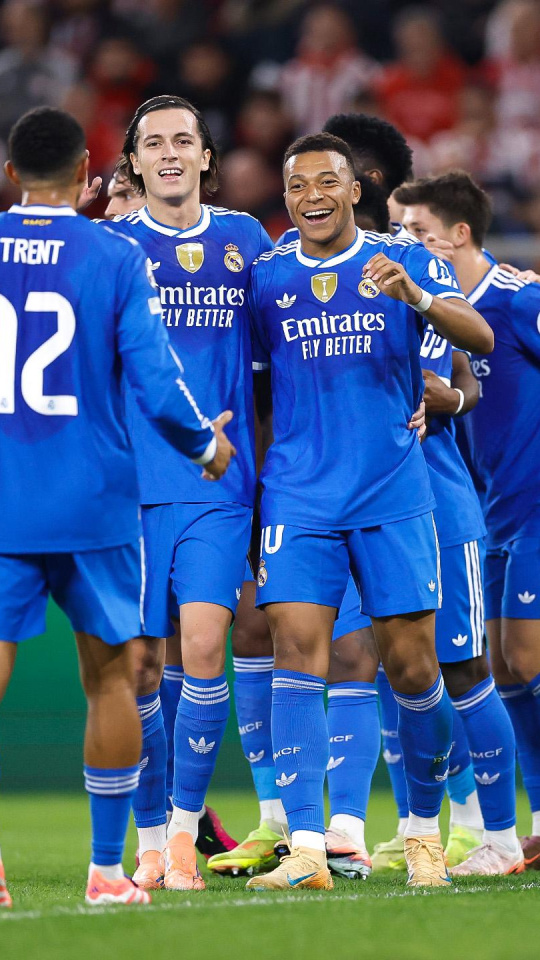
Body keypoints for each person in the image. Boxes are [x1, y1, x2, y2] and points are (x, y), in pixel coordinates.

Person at [243, 131, 493, 892]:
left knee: (417, 672)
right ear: (284, 198)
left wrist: (415, 297)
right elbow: (256, 395)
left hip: (392, 493)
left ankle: (422, 835)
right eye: (296, 186)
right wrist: (257, 502)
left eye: (326, 182)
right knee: (296, 656)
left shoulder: (409, 259)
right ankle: (309, 851)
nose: (311, 196)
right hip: (298, 495)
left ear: (356, 190)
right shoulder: (267, 278)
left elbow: (477, 338)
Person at [0, 106, 233, 908]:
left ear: (9, 173)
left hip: (3, 496)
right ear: (87, 173)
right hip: (96, 499)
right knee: (113, 681)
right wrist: (207, 446)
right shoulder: (114, 252)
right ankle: (107, 870)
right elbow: (157, 380)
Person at [101, 95, 273, 892]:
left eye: (184, 140)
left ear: (206, 157)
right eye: (153, 143)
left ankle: (178, 837)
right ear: (133, 162)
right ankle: (145, 833)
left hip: (219, 481)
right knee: (140, 672)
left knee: (205, 649)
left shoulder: (245, 241)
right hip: (128, 489)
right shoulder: (110, 248)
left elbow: (292, 354)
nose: (169, 152)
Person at [396, 170, 540, 875]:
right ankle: (531, 823)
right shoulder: (426, 314)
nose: (408, 245)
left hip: (530, 503)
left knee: (521, 658)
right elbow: (469, 389)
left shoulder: (517, 296)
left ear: (458, 234)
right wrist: (449, 396)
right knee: (509, 668)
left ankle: (506, 830)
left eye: (419, 232)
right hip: (491, 508)